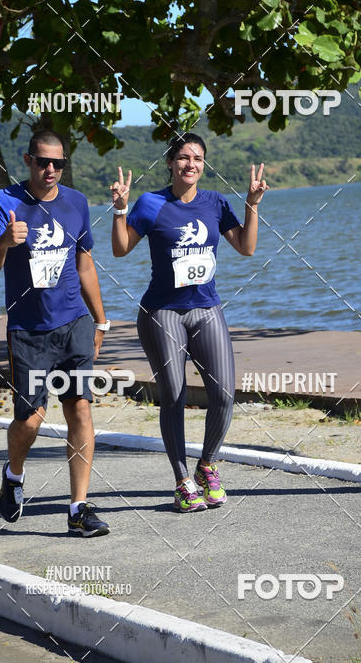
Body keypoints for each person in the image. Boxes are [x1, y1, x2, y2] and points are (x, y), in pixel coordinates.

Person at [111, 133, 268, 512]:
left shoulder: (215, 203)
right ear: (170, 162)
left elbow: (246, 247)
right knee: (176, 396)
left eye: (197, 158)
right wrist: (119, 210)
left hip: (206, 309)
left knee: (225, 393)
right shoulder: (151, 204)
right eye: (183, 157)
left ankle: (207, 466)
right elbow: (120, 249)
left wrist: (252, 205)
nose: (191, 164)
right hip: (162, 312)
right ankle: (182, 480)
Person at [0, 129, 110, 537]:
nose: (51, 170)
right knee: (31, 419)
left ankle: (79, 508)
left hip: (73, 322)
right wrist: (4, 241)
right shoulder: (5, 202)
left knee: (80, 408)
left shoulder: (76, 202)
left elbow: (86, 264)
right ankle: (14, 473)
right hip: (28, 329)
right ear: (28, 161)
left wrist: (101, 320)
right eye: (43, 162)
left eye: (58, 163)